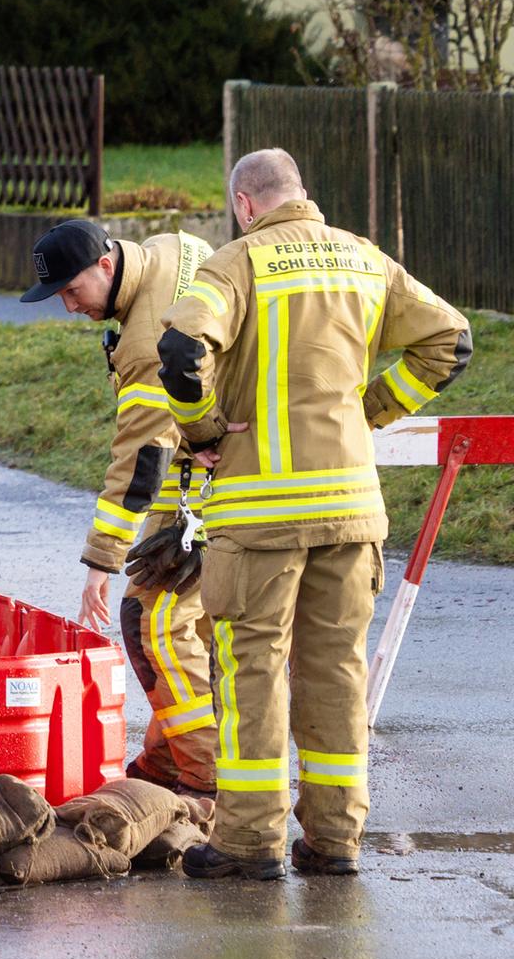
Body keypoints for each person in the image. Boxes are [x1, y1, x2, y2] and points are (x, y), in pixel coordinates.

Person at [158, 147, 472, 879]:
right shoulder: (366, 261)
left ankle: (248, 843)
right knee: (336, 674)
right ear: (303, 193)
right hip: (352, 514)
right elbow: (450, 341)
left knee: (252, 673)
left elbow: (179, 349)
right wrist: (374, 410)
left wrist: (203, 430)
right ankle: (334, 842)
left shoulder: (236, 265)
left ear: (244, 203)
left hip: (261, 515)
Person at [20, 218, 219, 798]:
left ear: (105, 266)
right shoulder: (172, 250)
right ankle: (164, 764)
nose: (67, 307)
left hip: (199, 493)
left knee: (152, 625)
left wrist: (100, 565)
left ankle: (206, 778)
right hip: (226, 470)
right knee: (199, 636)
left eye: (72, 291)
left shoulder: (142, 343)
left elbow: (141, 456)